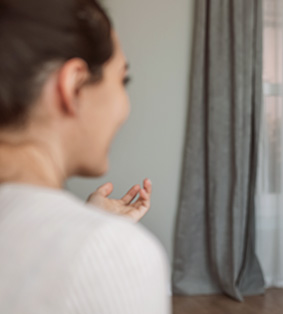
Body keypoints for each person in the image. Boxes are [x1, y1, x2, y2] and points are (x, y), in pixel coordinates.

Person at [0, 0, 170, 313]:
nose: (125, 107)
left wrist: (90, 221)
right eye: (122, 80)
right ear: (74, 85)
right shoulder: (115, 255)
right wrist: (98, 238)